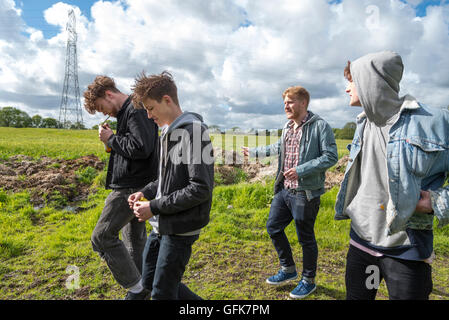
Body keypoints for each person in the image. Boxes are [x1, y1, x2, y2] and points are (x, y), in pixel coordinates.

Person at [335, 51, 449, 300]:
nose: (347, 89)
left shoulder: (435, 122)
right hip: (361, 243)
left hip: (406, 249)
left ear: (369, 81)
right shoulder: (363, 123)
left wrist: (438, 201)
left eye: (351, 81)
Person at [242, 86, 338, 299]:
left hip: (305, 193)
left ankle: (308, 280)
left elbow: (331, 157)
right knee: (273, 227)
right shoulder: (288, 127)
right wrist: (255, 152)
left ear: (303, 103)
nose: (286, 105)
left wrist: (302, 170)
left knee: (305, 238)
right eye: (285, 102)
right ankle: (288, 269)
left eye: (290, 101)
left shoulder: (320, 126)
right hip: (284, 191)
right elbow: (278, 147)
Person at [127, 71, 214, 300]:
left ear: (167, 100)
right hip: (162, 223)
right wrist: (145, 192)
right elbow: (165, 179)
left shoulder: (194, 132)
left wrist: (153, 206)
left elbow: (200, 188)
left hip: (181, 226)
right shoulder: (167, 132)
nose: (148, 115)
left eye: (150, 108)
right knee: (149, 281)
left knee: (162, 293)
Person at [83, 75, 159, 299]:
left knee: (102, 237)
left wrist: (111, 138)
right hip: (135, 184)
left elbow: (142, 148)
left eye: (101, 107)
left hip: (130, 187)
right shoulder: (129, 111)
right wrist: (110, 143)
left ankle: (136, 290)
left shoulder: (134, 110)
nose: (105, 112)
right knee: (134, 241)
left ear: (109, 94)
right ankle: (144, 287)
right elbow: (133, 149)